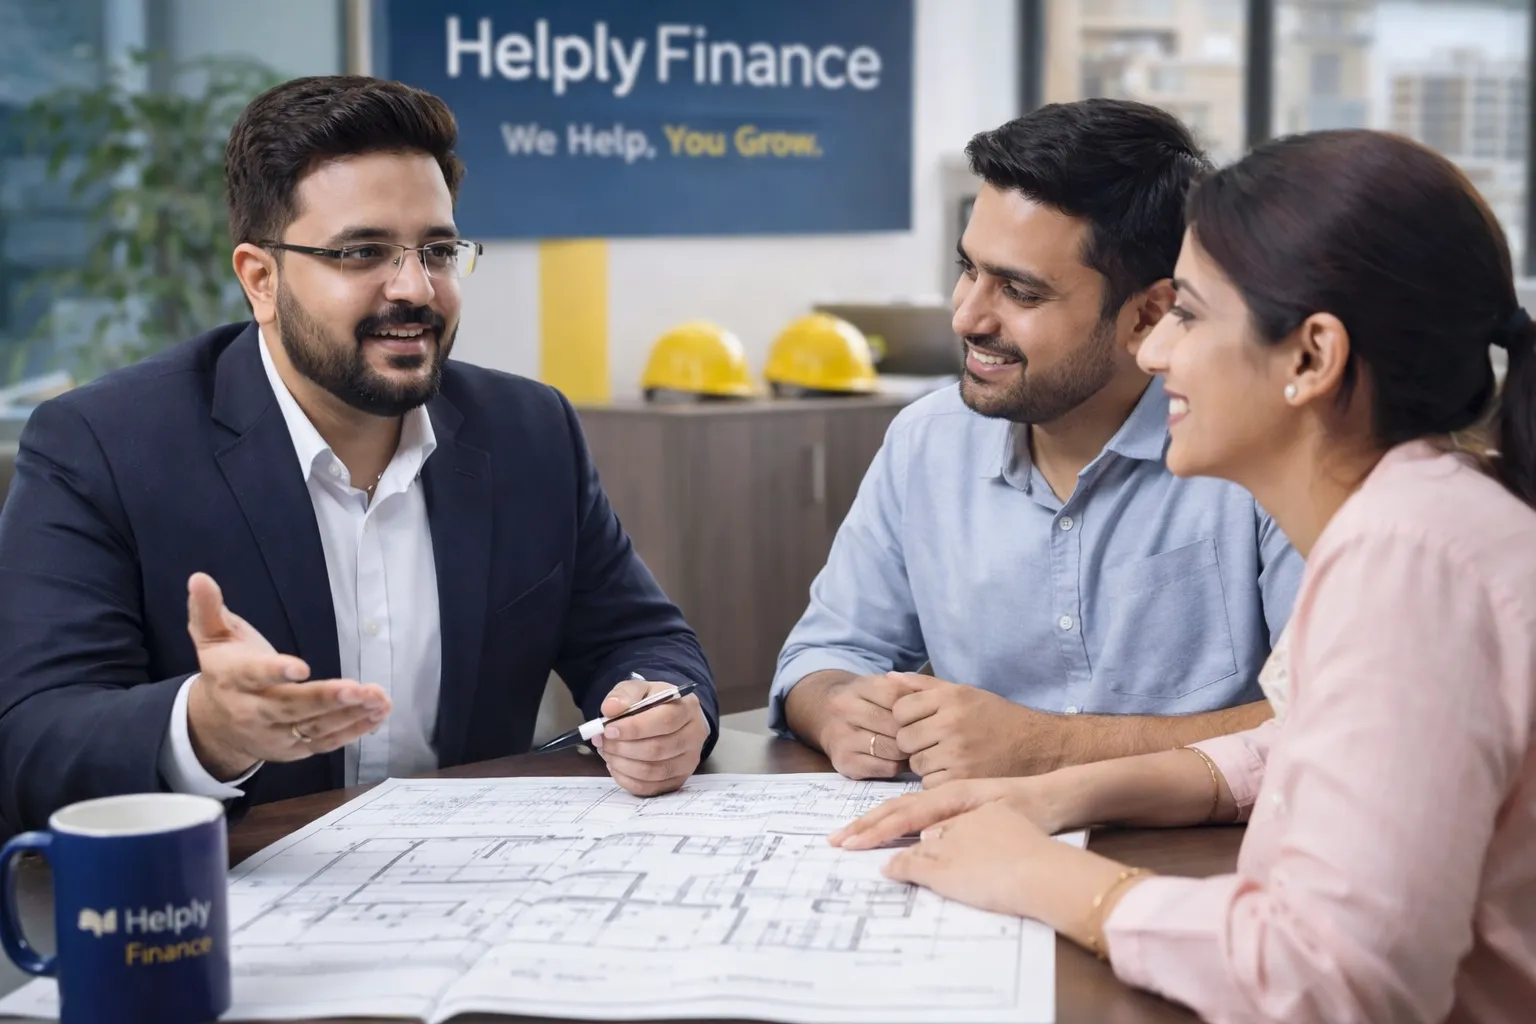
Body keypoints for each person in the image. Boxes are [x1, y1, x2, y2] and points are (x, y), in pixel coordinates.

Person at [831, 128, 1536, 1022]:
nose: (1155, 351)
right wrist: (1067, 790)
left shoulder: (1407, 567)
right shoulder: (1423, 517)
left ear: (1312, 357)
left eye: (1189, 316)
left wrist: (1062, 883)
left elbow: (1337, 979)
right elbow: (1326, 744)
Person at [0, 75, 719, 836]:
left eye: (438, 250)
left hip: (483, 896)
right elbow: (31, 743)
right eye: (362, 251)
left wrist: (664, 710)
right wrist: (206, 730)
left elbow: (643, 639)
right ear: (261, 279)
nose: (415, 288)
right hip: (229, 906)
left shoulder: (528, 431)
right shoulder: (103, 446)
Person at [772, 99, 1302, 785]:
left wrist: (1050, 749)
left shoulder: (1254, 452)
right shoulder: (926, 442)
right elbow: (825, 652)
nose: (966, 316)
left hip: (1195, 858)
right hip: (976, 853)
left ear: (1146, 314)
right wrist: (841, 707)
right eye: (969, 270)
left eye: (1019, 292)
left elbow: (1326, 721)